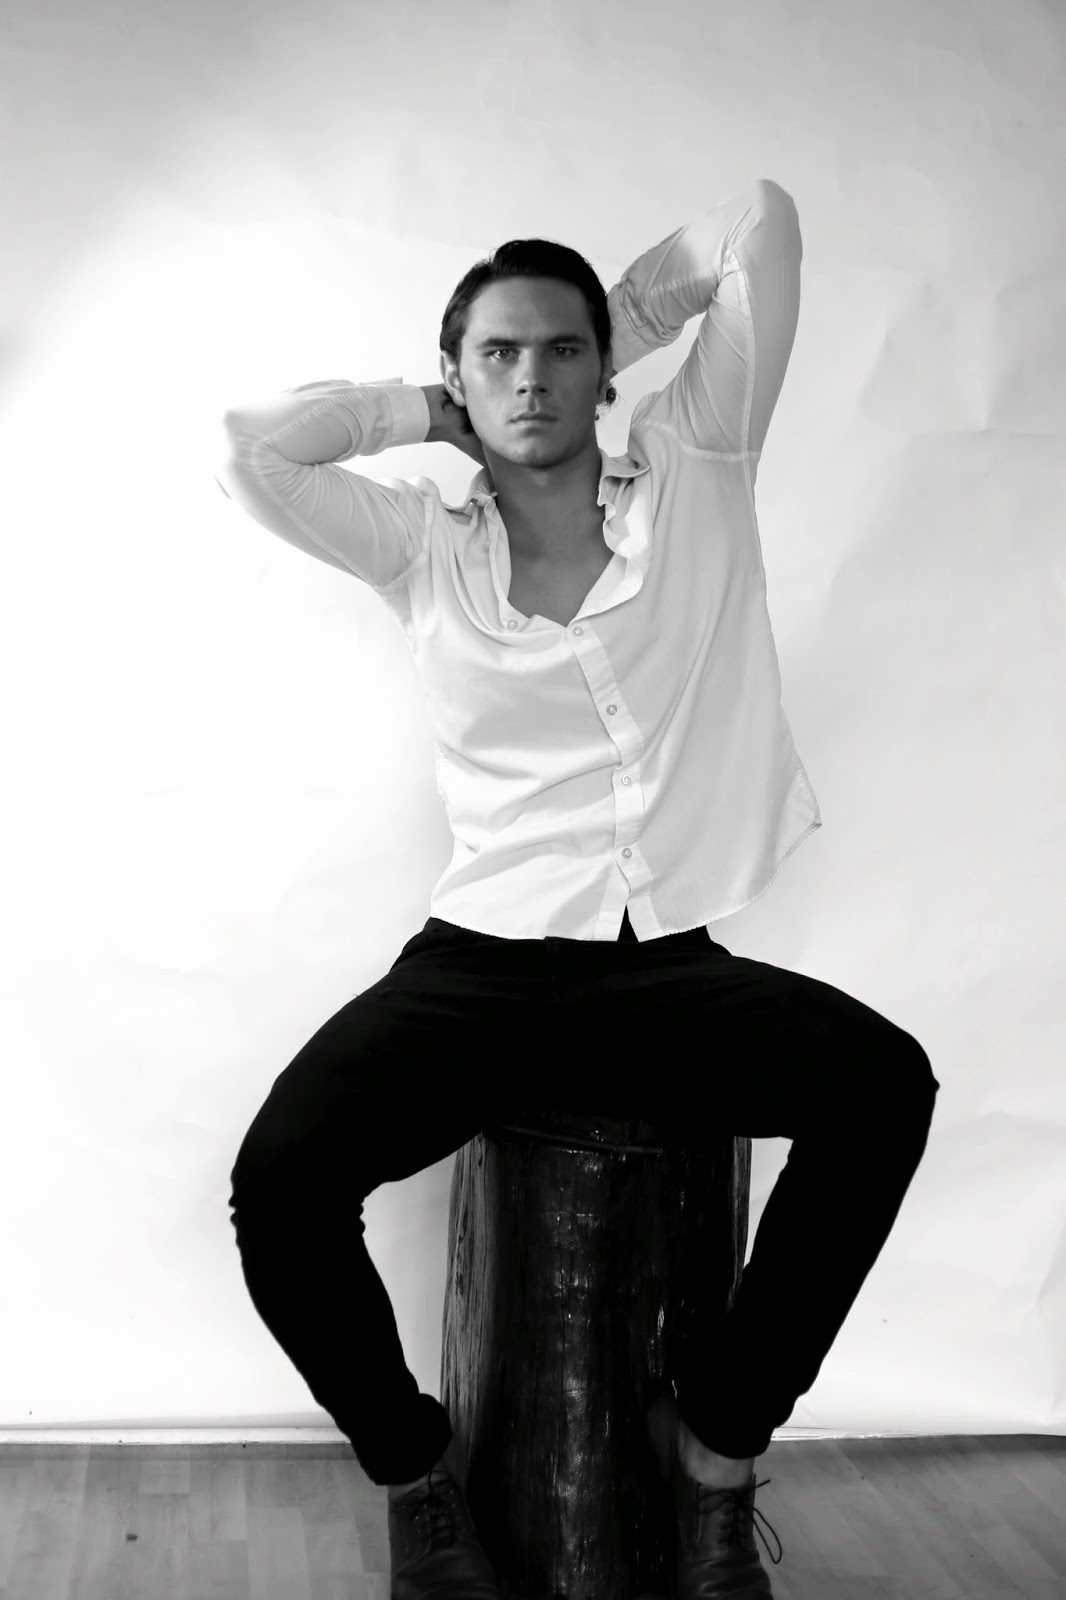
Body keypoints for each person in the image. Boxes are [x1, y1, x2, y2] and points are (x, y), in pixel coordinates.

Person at [217, 178, 940, 1600]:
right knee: (280, 1187)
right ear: (460, 375)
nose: (532, 378)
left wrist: (614, 323)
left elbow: (760, 222)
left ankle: (717, 1448)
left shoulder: (697, 463)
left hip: (659, 965)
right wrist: (422, 411)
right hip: (478, 965)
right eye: (498, 354)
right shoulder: (422, 547)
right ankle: (418, 1481)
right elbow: (253, 449)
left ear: (606, 368)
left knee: (882, 1087)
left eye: (562, 351)